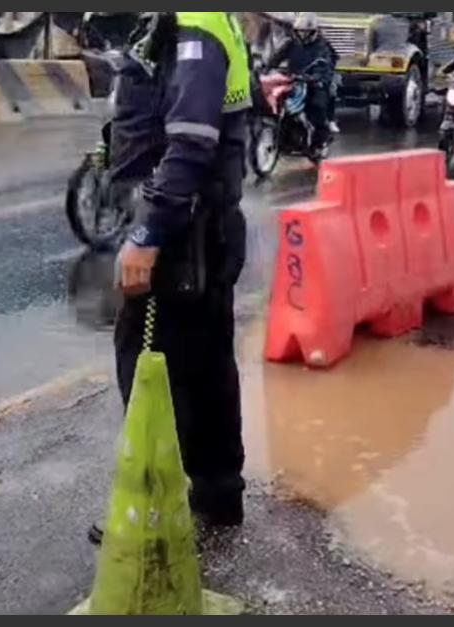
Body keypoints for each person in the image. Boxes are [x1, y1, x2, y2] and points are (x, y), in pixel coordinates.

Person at [109, 11, 251, 534]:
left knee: (152, 374)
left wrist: (148, 235)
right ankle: (218, 495)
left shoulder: (196, 26)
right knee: (206, 369)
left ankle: (153, 512)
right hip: (204, 228)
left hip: (180, 234)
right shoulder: (192, 21)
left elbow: (191, 143)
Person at [264, 12, 336, 154]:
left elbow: (326, 66)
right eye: (300, 32)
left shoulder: (323, 46)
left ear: (314, 32)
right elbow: (276, 57)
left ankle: (320, 142)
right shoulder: (291, 43)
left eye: (306, 32)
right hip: (293, 81)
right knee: (280, 104)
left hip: (314, 83)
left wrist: (315, 77)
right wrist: (266, 67)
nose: (303, 35)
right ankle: (284, 140)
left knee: (317, 107)